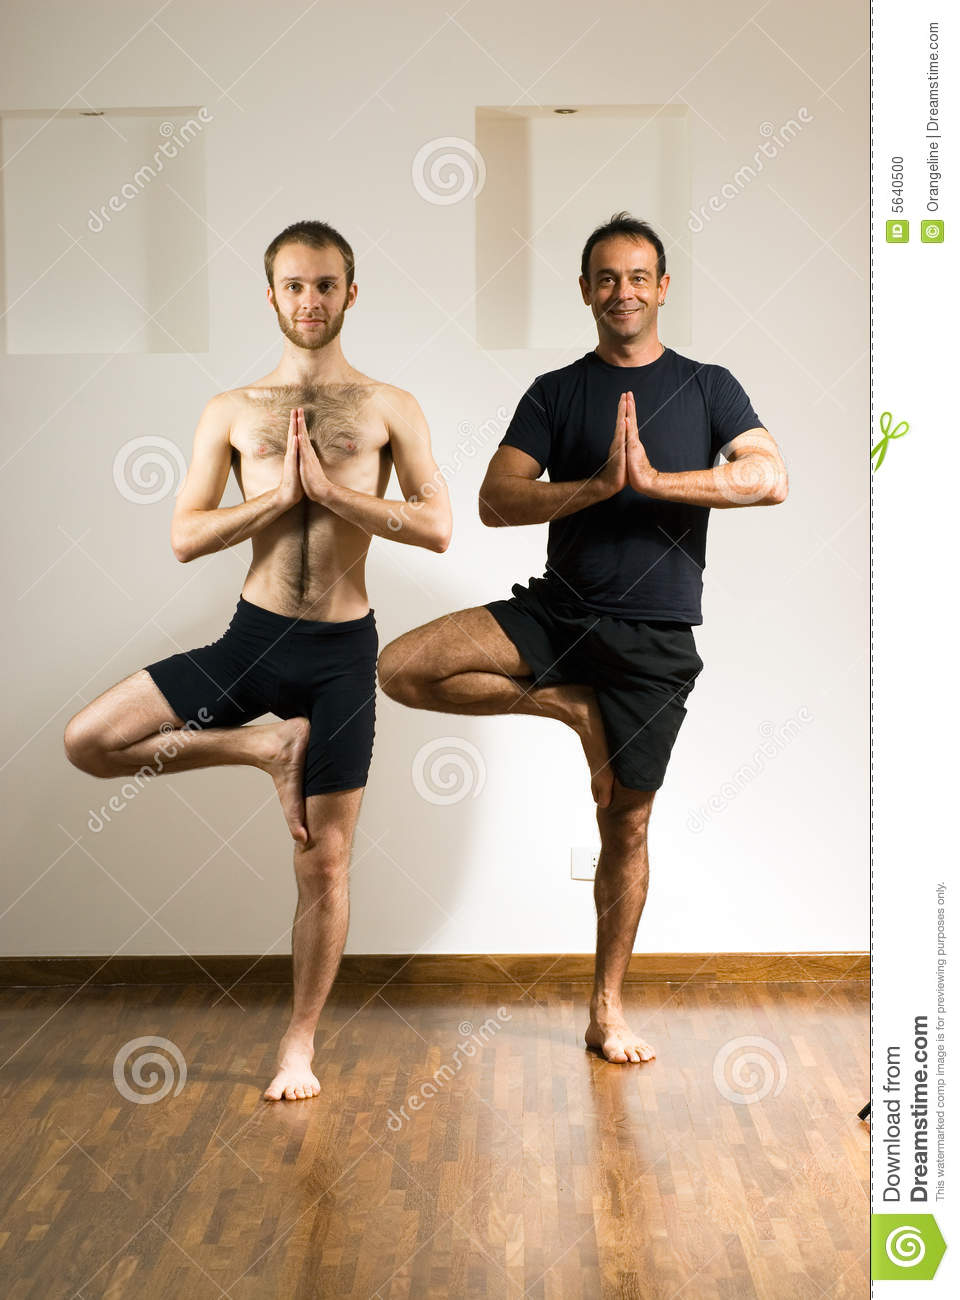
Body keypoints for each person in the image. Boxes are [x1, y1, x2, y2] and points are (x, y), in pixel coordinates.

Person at [377, 212, 788, 1064]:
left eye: (638, 277)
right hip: (558, 614)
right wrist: (594, 486)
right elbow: (495, 500)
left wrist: (657, 482)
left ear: (663, 287)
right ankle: (569, 708)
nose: (623, 292)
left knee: (625, 827)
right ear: (585, 291)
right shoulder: (557, 392)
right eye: (606, 278)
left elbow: (769, 476)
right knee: (402, 667)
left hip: (656, 639)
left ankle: (606, 1011)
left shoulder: (709, 386)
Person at [64, 220, 452, 1101]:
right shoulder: (230, 411)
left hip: (341, 656)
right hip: (250, 642)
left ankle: (298, 1048)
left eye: (325, 286)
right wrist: (275, 499)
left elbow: (436, 525)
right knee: (92, 741)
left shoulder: (392, 406)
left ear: (351, 294)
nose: (309, 302)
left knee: (323, 863)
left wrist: (336, 494)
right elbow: (184, 537)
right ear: (270, 295)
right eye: (293, 286)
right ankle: (262, 748)